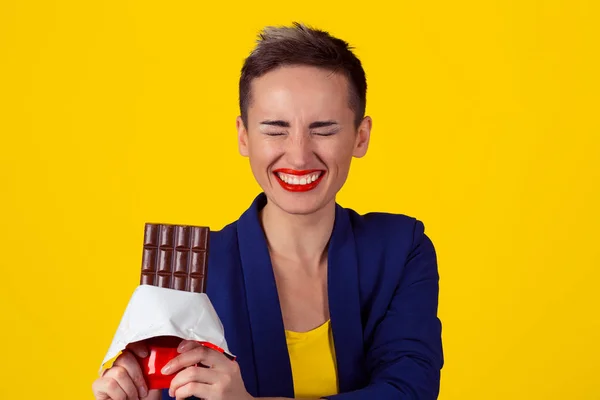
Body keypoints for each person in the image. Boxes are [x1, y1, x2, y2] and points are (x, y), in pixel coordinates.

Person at [92, 22, 444, 400]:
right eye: (275, 129)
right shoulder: (189, 273)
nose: (298, 155)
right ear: (244, 136)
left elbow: (410, 391)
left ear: (361, 136)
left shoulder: (401, 250)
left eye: (323, 130)